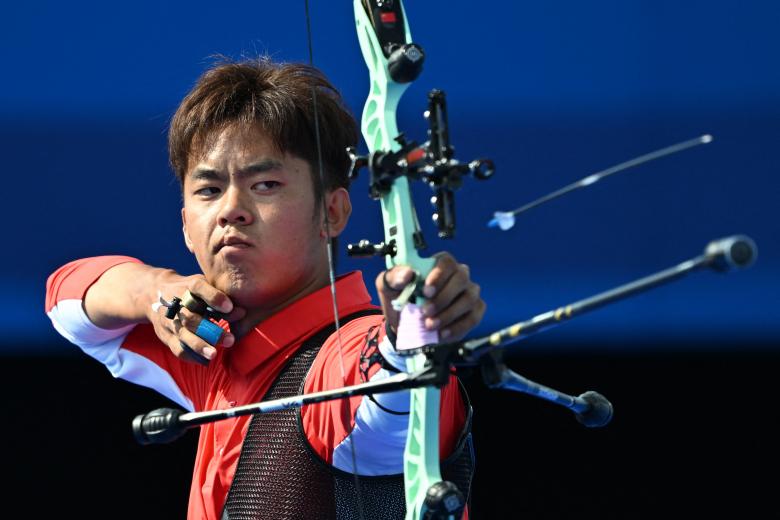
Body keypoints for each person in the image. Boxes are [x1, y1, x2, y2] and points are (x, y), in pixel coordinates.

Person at [45, 58, 485, 520]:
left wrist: (413, 329)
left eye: (265, 184)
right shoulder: (212, 348)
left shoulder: (342, 355)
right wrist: (157, 290)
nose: (231, 210)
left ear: (332, 213)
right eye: (209, 190)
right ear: (185, 227)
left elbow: (379, 410)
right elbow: (67, 302)